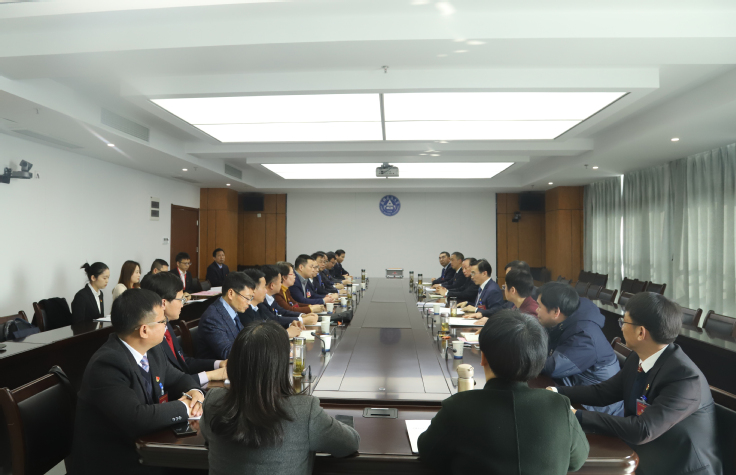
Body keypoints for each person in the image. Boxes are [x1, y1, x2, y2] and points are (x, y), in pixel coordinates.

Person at [554, 292, 722, 475]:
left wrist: (577, 416)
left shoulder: (684, 378)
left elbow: (643, 429)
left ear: (641, 332)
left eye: (624, 322)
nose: (621, 327)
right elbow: (603, 393)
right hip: (647, 456)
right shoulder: (638, 357)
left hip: (681, 469)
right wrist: (557, 392)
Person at [417, 309, 589, 474]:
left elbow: (428, 452)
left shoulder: (460, 406)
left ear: (483, 357)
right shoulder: (558, 406)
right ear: (538, 360)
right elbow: (577, 461)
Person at [69, 288, 204, 475]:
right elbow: (136, 418)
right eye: (163, 321)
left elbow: (179, 378)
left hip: (146, 445)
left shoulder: (153, 351)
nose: (167, 325)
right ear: (144, 330)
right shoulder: (107, 364)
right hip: (116, 461)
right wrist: (185, 407)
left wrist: (195, 392)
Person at [200, 320, 360, 475]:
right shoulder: (305, 411)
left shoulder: (212, 400)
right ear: (280, 364)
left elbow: (208, 439)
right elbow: (349, 444)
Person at [536, 282, 623, 416]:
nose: (536, 310)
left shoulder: (584, 336)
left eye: (539, 306)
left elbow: (552, 367)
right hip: (577, 391)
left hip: (598, 410)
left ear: (556, 312)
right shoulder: (567, 320)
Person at [140, 272, 228, 386]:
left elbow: (183, 362)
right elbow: (167, 381)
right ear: (163, 303)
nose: (183, 305)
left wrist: (219, 364)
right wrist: (210, 375)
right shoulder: (151, 335)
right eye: (180, 300)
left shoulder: (167, 325)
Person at [197, 272, 256, 360]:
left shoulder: (232, 310)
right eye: (247, 298)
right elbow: (228, 353)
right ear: (231, 294)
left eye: (251, 298)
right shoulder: (212, 318)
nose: (249, 302)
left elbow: (244, 338)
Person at [241, 269, 303, 338]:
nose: (266, 291)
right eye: (264, 287)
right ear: (253, 290)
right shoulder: (245, 311)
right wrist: (286, 333)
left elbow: (270, 323)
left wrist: (289, 324)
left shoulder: (258, 306)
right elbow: (257, 337)